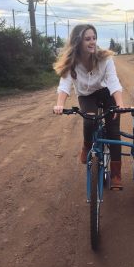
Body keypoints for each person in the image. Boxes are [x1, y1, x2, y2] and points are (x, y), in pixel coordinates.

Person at [53, 24, 124, 190]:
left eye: (94, 38)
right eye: (88, 39)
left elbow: (113, 81)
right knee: (90, 119)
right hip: (86, 96)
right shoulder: (72, 62)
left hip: (105, 93)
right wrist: (59, 104)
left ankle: (116, 174)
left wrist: (119, 102)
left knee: (113, 131)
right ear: (78, 42)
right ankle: (86, 145)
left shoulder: (105, 58)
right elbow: (64, 84)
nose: (92, 42)